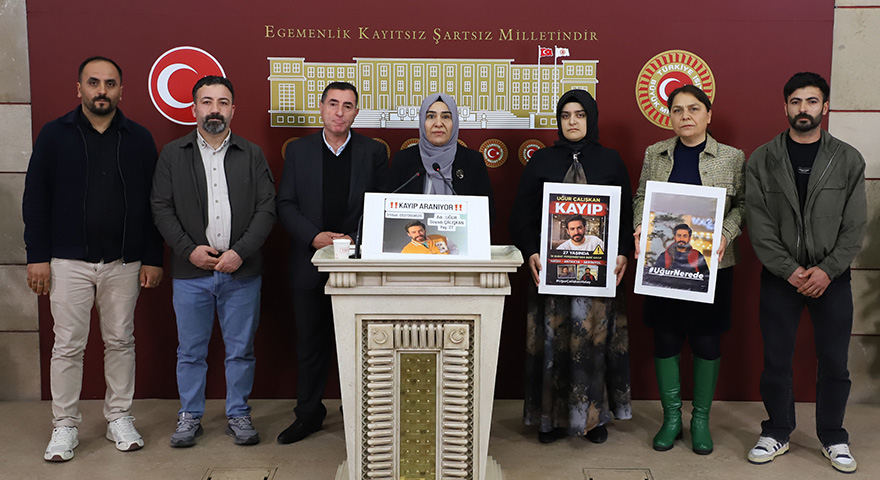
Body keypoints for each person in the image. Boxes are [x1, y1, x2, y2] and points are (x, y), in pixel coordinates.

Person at [23, 56, 164, 462]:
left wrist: (152, 256)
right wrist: (37, 257)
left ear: (121, 90)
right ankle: (65, 425)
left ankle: (119, 416)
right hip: (67, 262)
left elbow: (155, 203)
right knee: (68, 345)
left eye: (110, 83)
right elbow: (35, 198)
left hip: (124, 262)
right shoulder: (54, 135)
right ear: (79, 88)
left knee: (121, 341)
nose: (102, 90)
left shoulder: (138, 138)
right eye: (94, 82)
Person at [744, 72, 865, 473]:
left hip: (832, 279)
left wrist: (827, 270)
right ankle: (777, 431)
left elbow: (854, 226)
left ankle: (833, 436)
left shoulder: (847, 159)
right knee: (777, 360)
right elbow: (759, 224)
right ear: (785, 107)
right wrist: (790, 270)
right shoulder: (763, 159)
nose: (803, 109)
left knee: (834, 363)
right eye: (796, 101)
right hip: (781, 279)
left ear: (824, 107)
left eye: (812, 101)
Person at [151, 75, 276, 447]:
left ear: (233, 110)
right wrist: (189, 250)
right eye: (207, 102)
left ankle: (238, 414)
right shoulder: (173, 154)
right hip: (191, 272)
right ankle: (190, 416)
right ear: (194, 109)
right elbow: (161, 208)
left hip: (242, 271)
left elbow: (267, 208)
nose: (214, 110)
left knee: (241, 351)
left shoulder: (251, 154)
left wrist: (240, 252)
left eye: (222, 103)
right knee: (190, 352)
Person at [509, 89, 634, 444]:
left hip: (599, 277)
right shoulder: (541, 161)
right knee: (553, 344)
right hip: (550, 275)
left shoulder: (610, 160)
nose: (573, 122)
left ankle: (593, 419)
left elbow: (626, 215)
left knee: (594, 344)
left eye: (580, 115)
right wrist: (531, 251)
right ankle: (551, 420)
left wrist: (623, 252)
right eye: (566, 116)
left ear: (591, 118)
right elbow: (521, 217)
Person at [632, 84, 745, 455]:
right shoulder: (656, 153)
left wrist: (726, 232)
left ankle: (700, 421)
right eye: (677, 110)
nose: (686, 116)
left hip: (712, 265)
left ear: (708, 115)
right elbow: (641, 196)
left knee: (706, 341)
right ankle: (671, 419)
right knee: (665, 339)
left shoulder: (731, 157)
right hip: (663, 264)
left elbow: (744, 205)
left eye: (694, 109)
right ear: (670, 117)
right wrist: (640, 225)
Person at [276, 82, 388, 444]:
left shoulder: (373, 152)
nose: (340, 112)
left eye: (348, 106)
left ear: (356, 112)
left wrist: (355, 239)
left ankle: (363, 414)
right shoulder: (299, 151)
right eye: (334, 104)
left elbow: (381, 204)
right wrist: (314, 237)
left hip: (358, 262)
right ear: (321, 108)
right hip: (310, 261)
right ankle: (308, 414)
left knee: (363, 345)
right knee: (310, 344)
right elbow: (286, 203)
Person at [385, 93, 495, 222]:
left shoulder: (472, 161)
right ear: (422, 122)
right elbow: (388, 214)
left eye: (446, 117)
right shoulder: (403, 160)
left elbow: (487, 216)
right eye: (431, 116)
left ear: (454, 122)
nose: (438, 123)